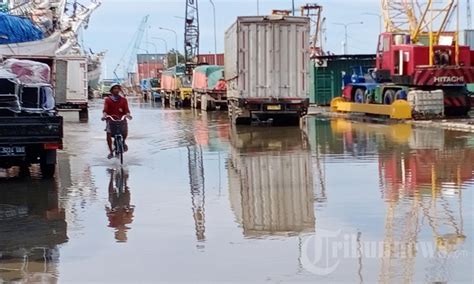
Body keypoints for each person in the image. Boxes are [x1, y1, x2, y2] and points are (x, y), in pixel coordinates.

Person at [103, 84, 132, 159]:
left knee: (125, 131)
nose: (116, 90)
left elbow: (127, 110)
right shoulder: (108, 100)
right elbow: (105, 110)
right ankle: (110, 152)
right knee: (108, 134)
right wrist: (104, 116)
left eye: (117, 89)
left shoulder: (123, 100)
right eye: (114, 88)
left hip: (121, 120)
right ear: (111, 90)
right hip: (111, 120)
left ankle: (123, 142)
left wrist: (128, 115)